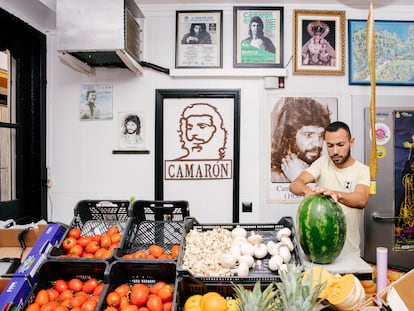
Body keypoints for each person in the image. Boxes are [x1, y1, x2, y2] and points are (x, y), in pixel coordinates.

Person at [289, 121, 371, 257]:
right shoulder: (322, 163)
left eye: (340, 145)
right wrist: (308, 192)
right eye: (330, 146)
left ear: (351, 142)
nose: (335, 151)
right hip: (317, 254)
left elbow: (361, 199)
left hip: (349, 256)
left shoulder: (363, 171)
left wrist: (335, 194)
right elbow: (295, 184)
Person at [271, 97, 331, 182]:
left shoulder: (327, 171)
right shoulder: (272, 176)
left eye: (321, 135)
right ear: (289, 137)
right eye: (308, 135)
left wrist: (299, 179)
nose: (318, 143)